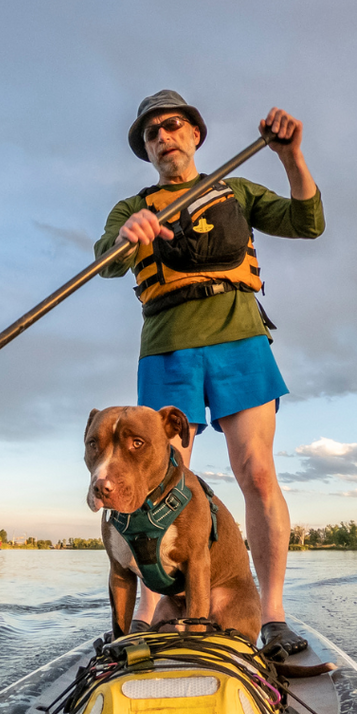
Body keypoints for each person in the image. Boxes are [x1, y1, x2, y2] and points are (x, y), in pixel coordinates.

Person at [94, 90, 324, 655]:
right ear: (147, 151)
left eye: (172, 126)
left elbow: (307, 222)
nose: (163, 137)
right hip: (168, 344)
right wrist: (128, 238)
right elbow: (105, 259)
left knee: (258, 474)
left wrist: (292, 157)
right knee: (155, 482)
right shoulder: (134, 206)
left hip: (239, 339)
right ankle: (148, 619)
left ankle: (271, 618)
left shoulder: (237, 190)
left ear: (195, 133)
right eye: (151, 133)